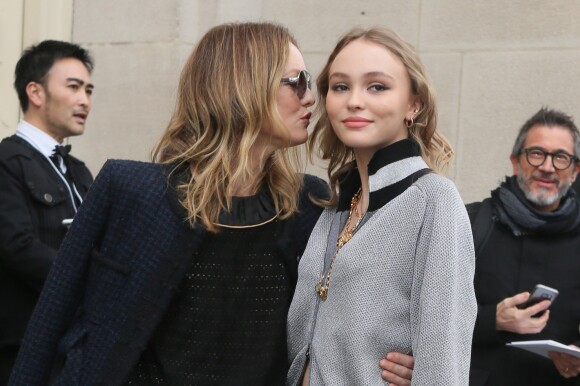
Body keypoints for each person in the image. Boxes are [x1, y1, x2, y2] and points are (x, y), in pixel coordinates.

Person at [8, 22, 330, 386]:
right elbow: (53, 318)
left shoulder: (308, 204)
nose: (310, 97)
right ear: (244, 84)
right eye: (297, 80)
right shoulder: (131, 191)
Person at [286, 27, 477, 385]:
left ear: (413, 104)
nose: (354, 100)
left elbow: (444, 357)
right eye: (341, 86)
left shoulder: (433, 200)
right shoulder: (334, 208)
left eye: (377, 86)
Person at [379, 107, 580, 385]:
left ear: (574, 170)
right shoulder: (468, 223)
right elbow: (418, 316)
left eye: (560, 157)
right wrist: (492, 320)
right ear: (515, 162)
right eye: (536, 153)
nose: (547, 166)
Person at [0, 40, 94, 384]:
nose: (85, 100)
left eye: (88, 89)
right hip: (21, 350)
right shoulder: (6, 161)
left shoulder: (78, 170)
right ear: (35, 93)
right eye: (73, 87)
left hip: (72, 347)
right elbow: (16, 245)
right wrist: (88, 282)